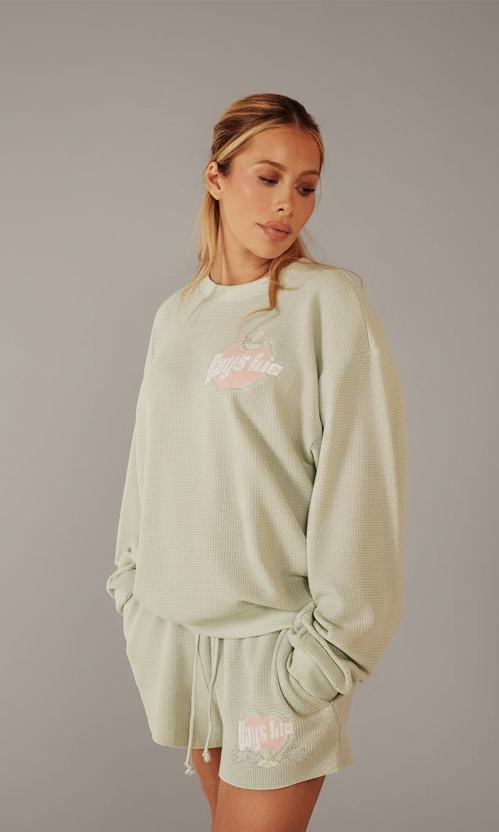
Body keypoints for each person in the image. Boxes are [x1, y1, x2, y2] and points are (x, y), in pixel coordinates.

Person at [105, 92, 407, 832]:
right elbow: (147, 467)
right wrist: (134, 594)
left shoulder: (325, 303)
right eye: (267, 178)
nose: (286, 206)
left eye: (305, 187)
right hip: (181, 643)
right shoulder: (176, 315)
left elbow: (362, 481)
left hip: (279, 651)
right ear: (216, 177)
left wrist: (329, 656)